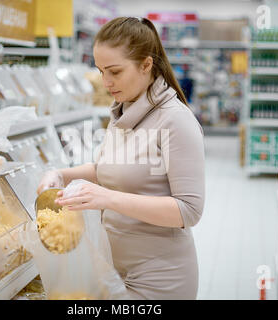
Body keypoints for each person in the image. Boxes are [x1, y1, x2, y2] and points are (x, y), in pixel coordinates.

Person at [37, 16, 205, 300]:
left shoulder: (176, 121)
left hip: (160, 278)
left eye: (114, 71)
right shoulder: (123, 112)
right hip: (114, 271)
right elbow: (107, 169)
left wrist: (108, 198)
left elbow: (188, 210)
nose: (105, 82)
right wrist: (61, 175)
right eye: (101, 71)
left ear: (146, 65)